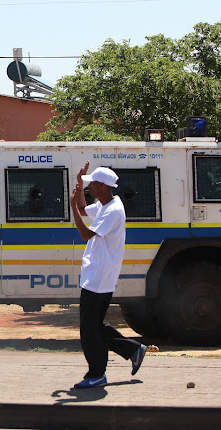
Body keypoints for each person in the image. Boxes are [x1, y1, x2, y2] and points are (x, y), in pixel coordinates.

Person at [70, 162, 147, 389]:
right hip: (97, 274)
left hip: (100, 276)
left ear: (102, 186)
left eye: (92, 184)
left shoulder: (113, 210)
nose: (90, 187)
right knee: (93, 324)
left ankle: (97, 373)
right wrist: (79, 187)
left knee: (89, 328)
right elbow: (85, 210)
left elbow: (85, 233)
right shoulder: (105, 204)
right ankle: (133, 350)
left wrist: (73, 206)